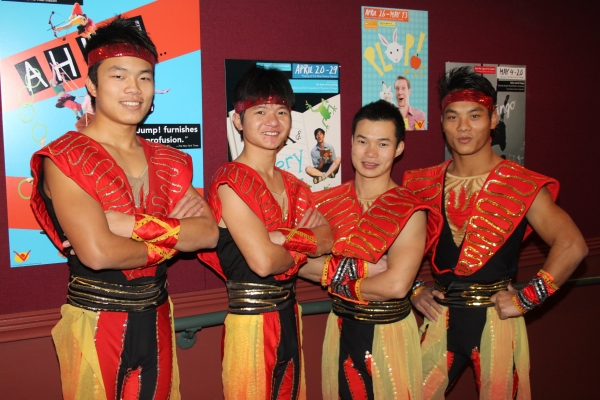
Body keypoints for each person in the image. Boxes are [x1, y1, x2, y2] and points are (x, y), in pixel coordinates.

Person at [29, 16, 218, 400]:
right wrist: (174, 235)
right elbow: (99, 254)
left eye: (145, 77)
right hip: (98, 322)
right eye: (119, 76)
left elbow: (209, 233)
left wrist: (127, 223)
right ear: (92, 85)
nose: (134, 89)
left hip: (159, 319)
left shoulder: (172, 160)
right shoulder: (64, 157)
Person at [402, 66, 588, 399]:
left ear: (493, 119)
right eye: (452, 117)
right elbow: (393, 244)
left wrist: (528, 299)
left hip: (497, 321)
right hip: (440, 318)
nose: (462, 127)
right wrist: (414, 288)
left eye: (474, 116)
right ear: (442, 122)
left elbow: (573, 245)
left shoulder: (520, 183)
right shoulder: (420, 183)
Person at [198, 66, 333, 399]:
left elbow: (329, 243)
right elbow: (261, 262)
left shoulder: (296, 187)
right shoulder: (230, 180)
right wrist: (306, 238)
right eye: (260, 111)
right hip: (251, 324)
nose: (272, 121)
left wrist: (282, 238)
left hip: (290, 316)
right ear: (238, 120)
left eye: (281, 111)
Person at [299, 100, 443, 399]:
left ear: (399, 149)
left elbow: (395, 284)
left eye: (383, 143)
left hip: (388, 332)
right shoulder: (325, 202)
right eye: (363, 141)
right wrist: (357, 271)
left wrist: (330, 273)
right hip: (338, 328)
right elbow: (297, 261)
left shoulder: (410, 209)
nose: (371, 153)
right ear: (351, 142)